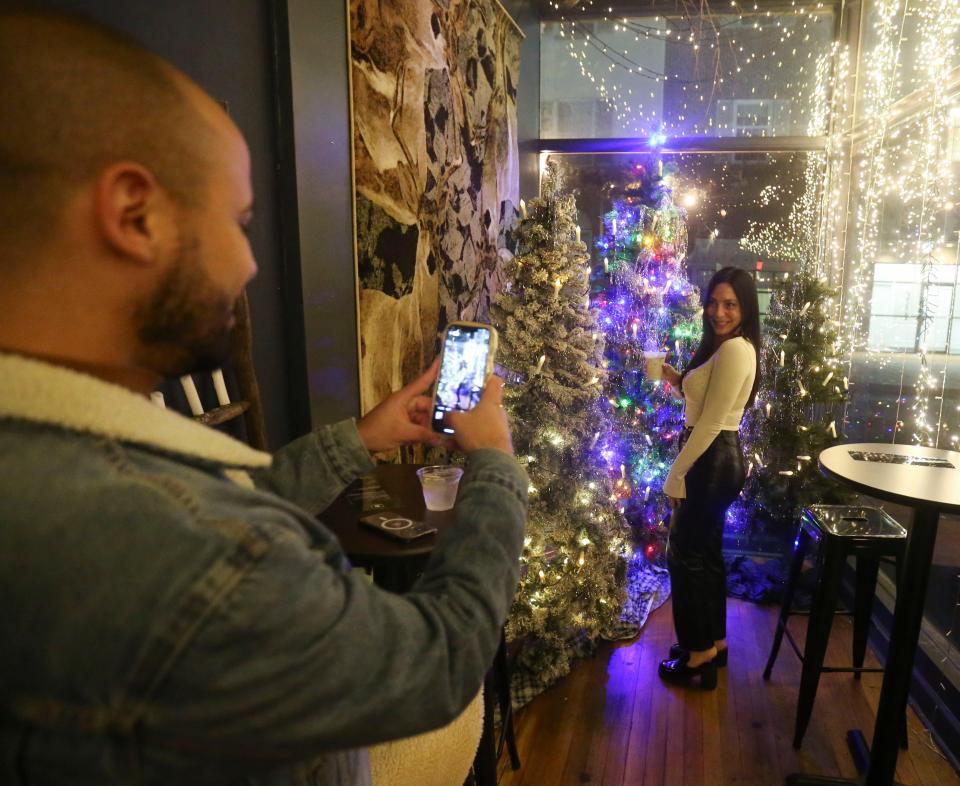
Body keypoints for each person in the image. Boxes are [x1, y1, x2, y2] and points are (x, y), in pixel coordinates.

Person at [0, 11, 527, 785]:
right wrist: (495, 465)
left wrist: (364, 437)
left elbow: (221, 501)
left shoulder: (79, 467)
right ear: (134, 214)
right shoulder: (193, 555)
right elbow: (436, 663)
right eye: (238, 221)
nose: (251, 263)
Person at [657, 267, 761, 690]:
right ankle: (713, 643)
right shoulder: (727, 348)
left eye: (730, 304)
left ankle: (697, 653)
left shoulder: (736, 349)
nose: (719, 311)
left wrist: (675, 474)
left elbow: (713, 422)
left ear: (745, 308)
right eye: (714, 302)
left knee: (684, 554)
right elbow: (707, 403)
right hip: (716, 458)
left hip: (711, 459)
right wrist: (677, 381)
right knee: (705, 554)